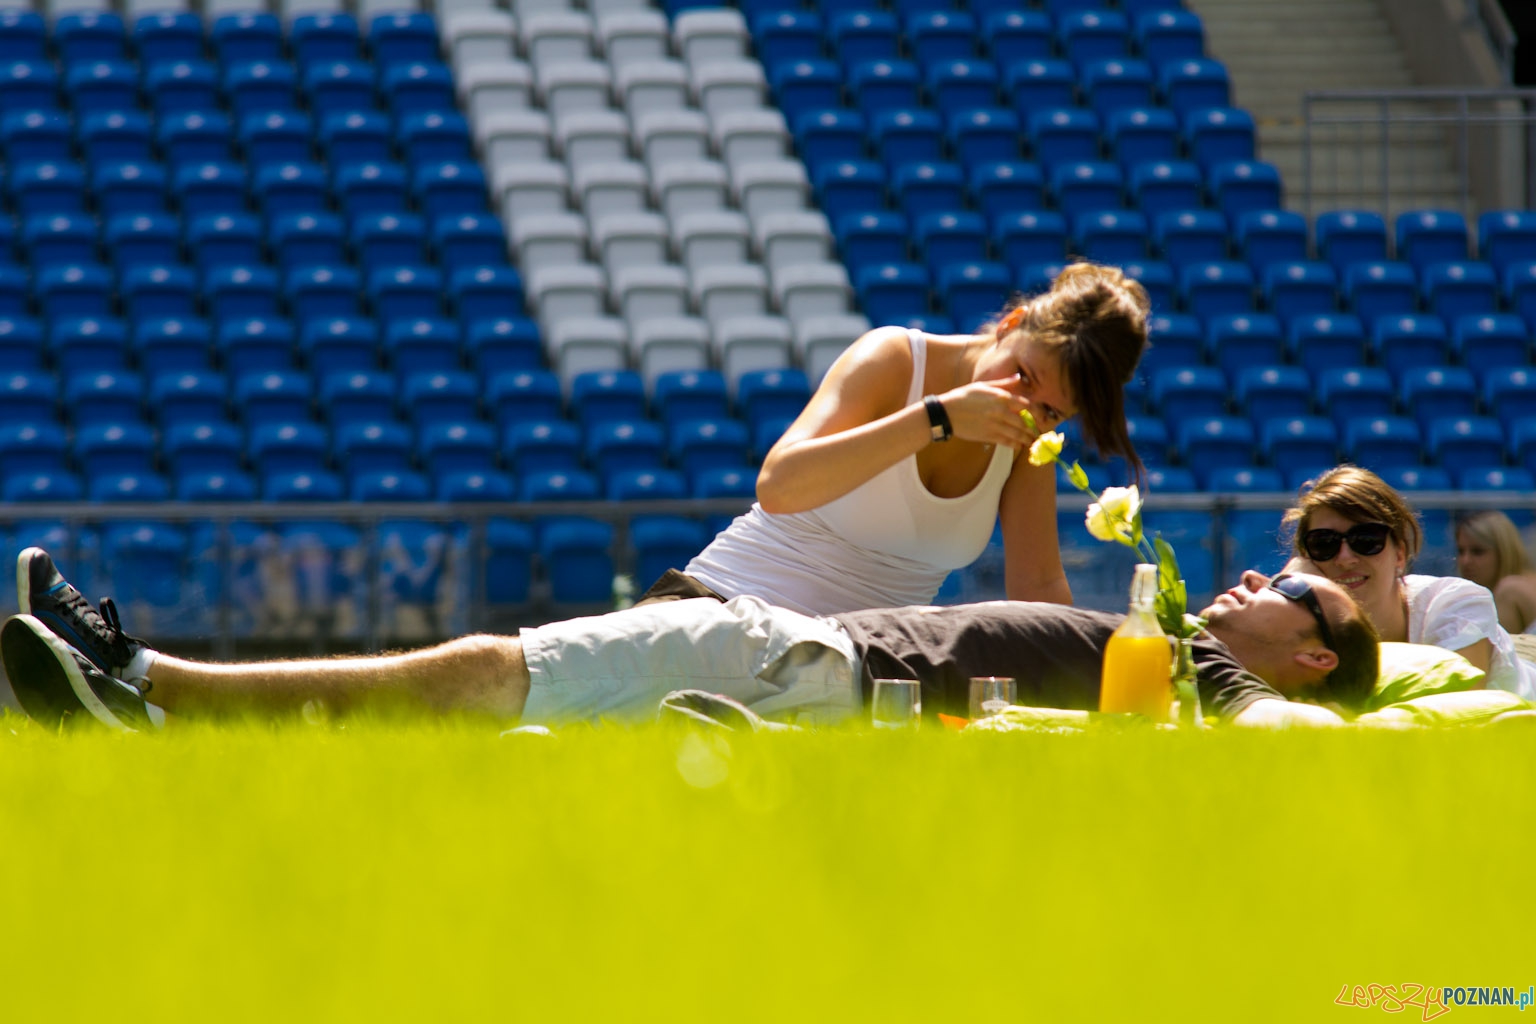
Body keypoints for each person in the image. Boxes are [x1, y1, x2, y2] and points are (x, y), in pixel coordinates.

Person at [4, 547, 1378, 734]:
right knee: (497, 708)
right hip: (809, 675)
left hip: (814, 670)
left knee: (495, 670)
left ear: (1316, 650)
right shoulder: (1166, 640)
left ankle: (152, 684)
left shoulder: (1209, 674)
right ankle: (157, 700)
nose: (1269, 574)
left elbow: (1300, 740)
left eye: (1301, 591)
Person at [638, 262, 1151, 616]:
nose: (1022, 402)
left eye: (1050, 409)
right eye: (1022, 373)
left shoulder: (1029, 438)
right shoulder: (895, 358)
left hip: (842, 663)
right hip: (719, 605)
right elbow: (779, 486)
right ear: (1010, 324)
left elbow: (1037, 588)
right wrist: (935, 418)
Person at [1280, 466, 1536, 700]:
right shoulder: (1305, 628)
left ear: (1399, 554)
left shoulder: (1455, 603)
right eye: (1324, 543)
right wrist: (1288, 585)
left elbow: (1458, 718)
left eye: (1367, 540)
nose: (1345, 558)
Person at [1455, 510, 1536, 635]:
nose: (1465, 561)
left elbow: (1499, 653)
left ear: (1504, 552)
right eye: (1461, 551)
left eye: (1478, 552)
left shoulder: (1510, 589)